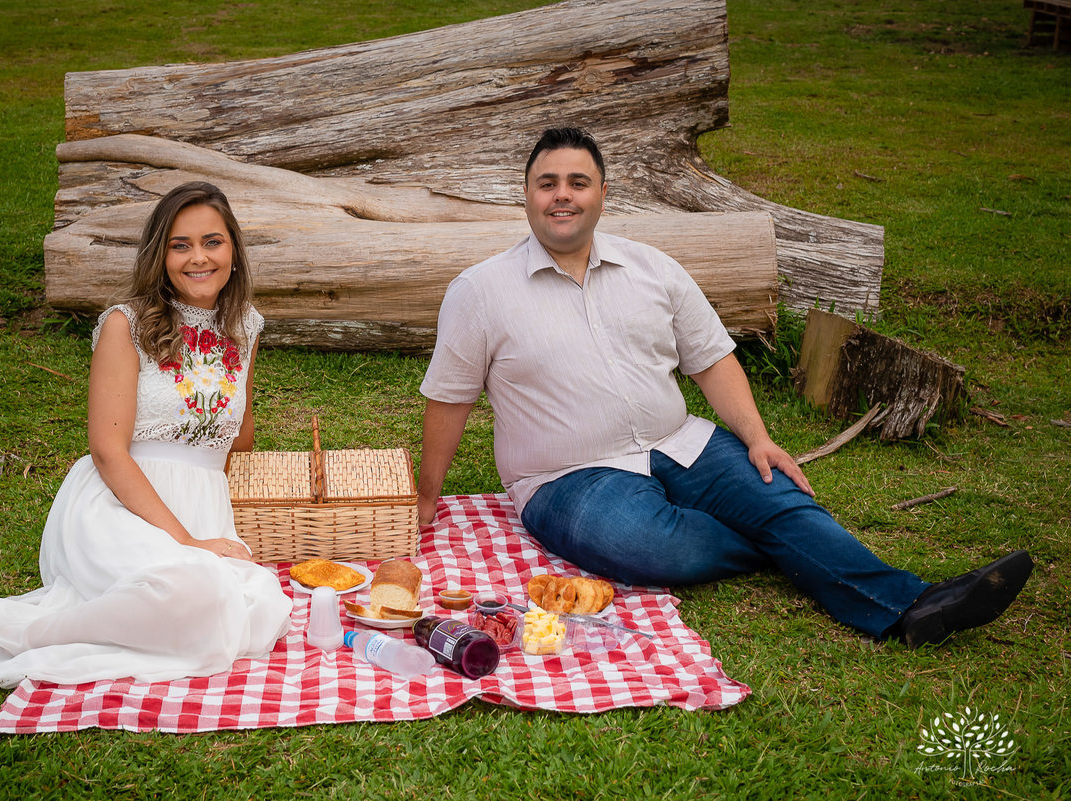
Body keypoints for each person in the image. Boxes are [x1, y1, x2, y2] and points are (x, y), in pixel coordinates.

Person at [417, 127, 1032, 648]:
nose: (562, 195)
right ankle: (784, 545)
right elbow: (450, 397)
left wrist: (757, 438)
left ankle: (916, 605)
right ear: (526, 194)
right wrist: (427, 494)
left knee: (782, 496)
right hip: (566, 477)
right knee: (648, 546)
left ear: (602, 193)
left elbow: (712, 360)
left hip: (681, 442)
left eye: (578, 182)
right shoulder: (481, 291)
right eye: (547, 183)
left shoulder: (653, 268)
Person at [0, 182, 292, 688]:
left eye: (212, 242)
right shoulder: (125, 325)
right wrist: (187, 540)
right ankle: (23, 637)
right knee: (194, 590)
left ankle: (125, 620)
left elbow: (239, 436)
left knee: (260, 605)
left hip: (202, 504)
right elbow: (108, 451)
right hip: (118, 503)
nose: (198, 257)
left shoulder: (245, 325)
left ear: (234, 251)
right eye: (180, 245)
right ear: (160, 257)